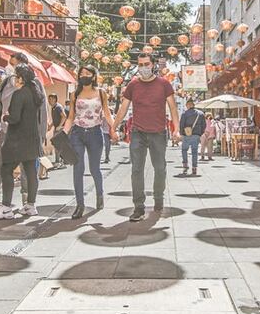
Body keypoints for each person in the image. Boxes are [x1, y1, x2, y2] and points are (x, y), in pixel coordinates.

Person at [0, 52, 47, 209]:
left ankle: (27, 200)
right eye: (9, 63)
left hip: (28, 134)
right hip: (6, 132)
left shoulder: (35, 85)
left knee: (27, 168)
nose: (9, 67)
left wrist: (41, 133)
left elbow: (42, 110)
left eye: (13, 64)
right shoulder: (5, 84)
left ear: (23, 67)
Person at [113, 52, 179, 221]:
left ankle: (158, 198)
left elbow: (172, 108)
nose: (143, 68)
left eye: (146, 64)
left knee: (160, 169)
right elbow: (123, 108)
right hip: (138, 134)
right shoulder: (133, 85)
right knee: (136, 170)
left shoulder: (164, 84)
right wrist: (113, 128)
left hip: (158, 133)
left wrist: (176, 130)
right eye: (140, 65)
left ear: (153, 65)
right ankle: (139, 207)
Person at [0, 64, 44, 219]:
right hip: (32, 139)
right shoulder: (36, 94)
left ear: (20, 78)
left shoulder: (19, 94)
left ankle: (6, 207)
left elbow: (15, 118)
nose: (14, 79)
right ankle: (30, 205)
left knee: (6, 170)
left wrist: (5, 116)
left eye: (15, 76)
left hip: (17, 140)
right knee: (31, 172)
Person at [63, 65, 115, 219]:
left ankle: (99, 194)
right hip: (77, 133)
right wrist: (64, 133)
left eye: (87, 73)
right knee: (78, 168)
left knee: (94, 169)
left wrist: (113, 128)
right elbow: (71, 117)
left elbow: (106, 113)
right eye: (81, 73)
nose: (83, 75)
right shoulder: (74, 94)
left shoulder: (101, 93)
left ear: (93, 76)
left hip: (95, 133)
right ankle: (80, 205)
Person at [177, 100, 207, 177]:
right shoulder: (200, 114)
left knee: (184, 150)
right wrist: (200, 133)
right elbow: (204, 125)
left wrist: (182, 134)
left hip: (186, 135)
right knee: (194, 151)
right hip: (196, 135)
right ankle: (194, 167)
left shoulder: (184, 114)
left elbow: (181, 125)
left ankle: (185, 164)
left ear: (188, 105)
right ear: (193, 105)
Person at [48, 94, 67, 168]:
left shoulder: (58, 107)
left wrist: (59, 126)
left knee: (57, 145)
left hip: (60, 129)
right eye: (49, 99)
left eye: (51, 99)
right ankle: (60, 161)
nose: (50, 101)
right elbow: (55, 119)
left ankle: (58, 162)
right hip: (56, 128)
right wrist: (51, 126)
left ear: (55, 99)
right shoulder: (53, 108)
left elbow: (64, 116)